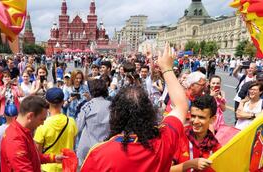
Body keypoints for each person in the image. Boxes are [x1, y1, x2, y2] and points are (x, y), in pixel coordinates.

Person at [81, 43, 189, 172]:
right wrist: (167, 68)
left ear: (116, 114)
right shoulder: (163, 141)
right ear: (149, 112)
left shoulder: (99, 153)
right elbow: (181, 105)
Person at [0, 96, 64, 172]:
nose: (42, 123)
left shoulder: (23, 130)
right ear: (30, 116)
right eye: (41, 119)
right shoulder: (15, 139)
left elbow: (32, 156)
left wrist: (53, 158)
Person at [171, 95, 220, 172]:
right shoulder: (179, 137)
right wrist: (190, 164)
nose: (195, 121)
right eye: (193, 116)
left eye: (201, 117)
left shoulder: (215, 146)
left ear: (212, 119)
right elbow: (164, 169)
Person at [34, 88, 77, 172]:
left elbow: (37, 153)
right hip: (66, 167)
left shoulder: (42, 124)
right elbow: (73, 145)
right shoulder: (71, 122)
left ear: (47, 102)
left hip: (48, 168)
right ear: (62, 102)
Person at [76, 79, 110, 165]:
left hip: (88, 148)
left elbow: (78, 127)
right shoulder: (112, 106)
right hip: (106, 147)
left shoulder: (87, 106)